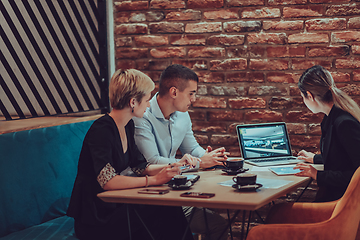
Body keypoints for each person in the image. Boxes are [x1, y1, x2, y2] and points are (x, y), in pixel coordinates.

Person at [66, 69, 195, 240]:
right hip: (97, 217)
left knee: (169, 206)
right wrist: (155, 180)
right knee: (164, 210)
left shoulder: (127, 126)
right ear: (133, 102)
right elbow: (107, 181)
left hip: (113, 206)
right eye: (147, 99)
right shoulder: (102, 130)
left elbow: (139, 165)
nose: (149, 104)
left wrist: (173, 166)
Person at [133, 64, 229, 240]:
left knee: (220, 225)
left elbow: (191, 148)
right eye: (191, 93)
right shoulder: (142, 116)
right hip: (154, 198)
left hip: (177, 189)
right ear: (174, 92)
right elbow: (151, 162)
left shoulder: (182, 114)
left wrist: (209, 157)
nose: (194, 99)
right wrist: (199, 163)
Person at [294, 65, 360, 202]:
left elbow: (357, 174)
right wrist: (315, 158)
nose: (303, 101)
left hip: (344, 204)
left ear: (310, 96)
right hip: (341, 199)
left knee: (278, 213)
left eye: (303, 97)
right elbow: (342, 157)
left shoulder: (343, 123)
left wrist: (317, 175)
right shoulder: (332, 117)